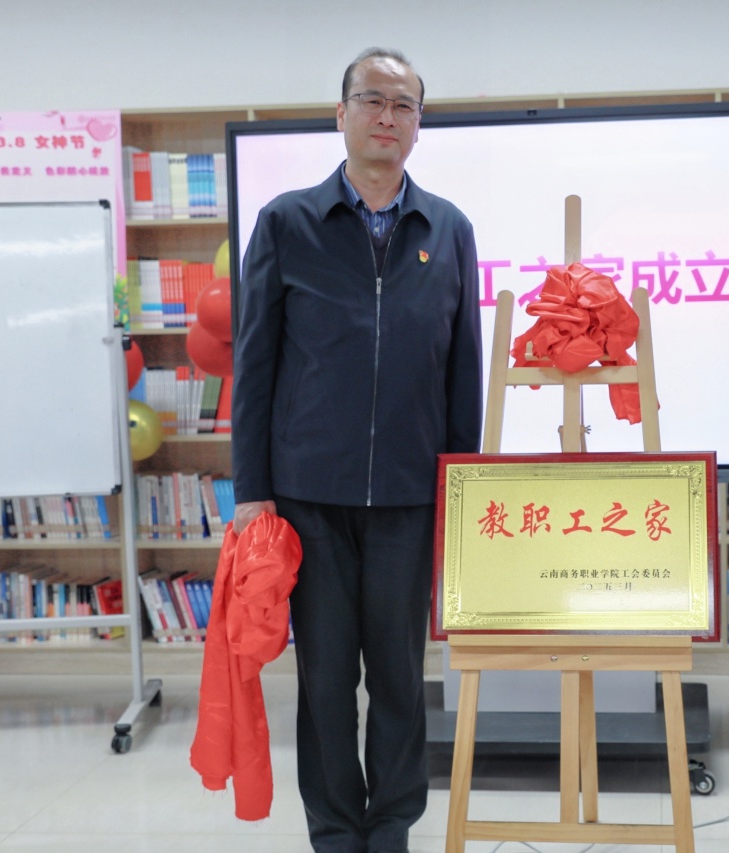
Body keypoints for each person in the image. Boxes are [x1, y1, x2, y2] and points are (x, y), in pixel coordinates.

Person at [231, 47, 482, 853]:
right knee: (327, 677)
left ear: (418, 125)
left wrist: (460, 490)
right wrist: (251, 488)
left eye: (403, 105)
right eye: (372, 100)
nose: (387, 117)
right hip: (309, 495)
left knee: (402, 679)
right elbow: (255, 366)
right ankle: (337, 829)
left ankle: (392, 825)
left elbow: (463, 370)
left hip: (410, 496)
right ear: (340, 114)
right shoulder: (287, 223)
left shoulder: (448, 229)